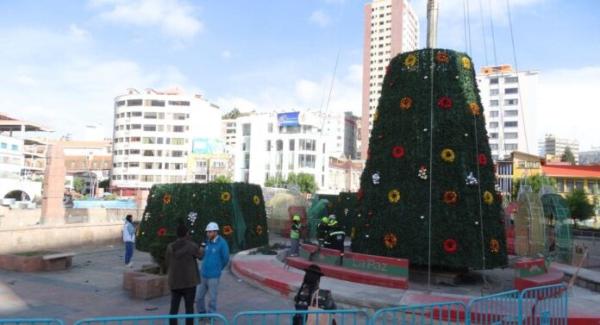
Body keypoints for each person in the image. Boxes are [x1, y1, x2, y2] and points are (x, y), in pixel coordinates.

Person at [165, 223, 204, 325]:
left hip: (175, 282)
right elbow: (200, 256)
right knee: (189, 308)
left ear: (177, 234)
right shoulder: (192, 246)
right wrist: (202, 248)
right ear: (187, 234)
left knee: (173, 309)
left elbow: (167, 262)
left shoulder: (170, 247)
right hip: (189, 283)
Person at [196, 222, 230, 314]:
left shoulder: (222, 243)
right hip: (203, 274)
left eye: (210, 232)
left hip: (214, 276)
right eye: (207, 232)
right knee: (199, 297)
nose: (208, 234)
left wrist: (218, 268)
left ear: (215, 232)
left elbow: (226, 258)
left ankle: (211, 316)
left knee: (212, 298)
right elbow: (201, 256)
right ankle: (201, 314)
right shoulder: (207, 242)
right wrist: (201, 248)